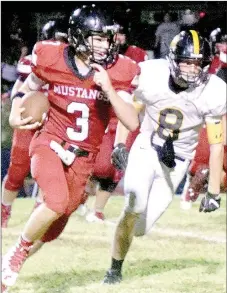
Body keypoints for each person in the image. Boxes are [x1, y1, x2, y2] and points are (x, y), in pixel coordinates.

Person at [2, 5, 140, 289]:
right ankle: (15, 254)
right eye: (97, 38)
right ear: (77, 37)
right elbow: (26, 88)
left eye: (107, 38)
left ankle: (10, 263)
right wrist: (16, 109)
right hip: (49, 142)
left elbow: (131, 120)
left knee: (53, 229)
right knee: (54, 201)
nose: (105, 44)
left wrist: (110, 90)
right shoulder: (51, 57)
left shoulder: (118, 69)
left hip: (83, 157)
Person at [102, 30, 226, 284]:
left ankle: (122, 237)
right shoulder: (152, 74)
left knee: (140, 228)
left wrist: (213, 192)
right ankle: (114, 269)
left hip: (177, 162)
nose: (192, 70)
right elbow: (131, 109)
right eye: (186, 62)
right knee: (134, 202)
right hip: (148, 147)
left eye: (197, 63)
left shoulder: (214, 91)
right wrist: (120, 144)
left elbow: (216, 145)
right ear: (173, 59)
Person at [1, 19, 68, 228]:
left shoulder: (75, 64)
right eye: (56, 40)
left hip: (57, 121)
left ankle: (40, 211)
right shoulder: (34, 60)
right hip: (32, 117)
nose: (59, 45)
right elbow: (19, 88)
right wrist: (16, 110)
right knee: (17, 169)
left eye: (63, 40)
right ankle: (4, 208)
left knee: (54, 170)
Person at [86, 20, 148, 222]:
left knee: (115, 167)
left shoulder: (134, 59)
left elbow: (139, 91)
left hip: (123, 115)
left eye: (121, 34)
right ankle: (81, 197)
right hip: (98, 115)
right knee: (95, 166)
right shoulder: (93, 56)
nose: (118, 38)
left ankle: (97, 210)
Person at [181, 27, 227, 209]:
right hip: (211, 115)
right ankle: (194, 187)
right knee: (202, 163)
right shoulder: (208, 63)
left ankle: (203, 184)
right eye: (222, 42)